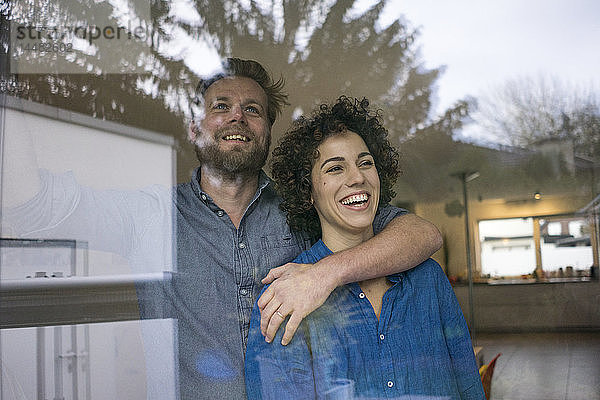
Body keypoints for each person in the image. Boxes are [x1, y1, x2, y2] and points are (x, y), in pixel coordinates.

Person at [2, 59, 442, 399]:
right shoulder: (148, 214)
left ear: (268, 131)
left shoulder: (305, 206)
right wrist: (7, 80)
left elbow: (422, 236)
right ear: (195, 127)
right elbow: (31, 207)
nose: (237, 118)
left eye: (253, 110)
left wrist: (326, 273)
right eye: (221, 107)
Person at [245, 96, 484, 399]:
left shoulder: (429, 279)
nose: (357, 177)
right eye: (335, 169)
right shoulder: (284, 299)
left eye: (365, 163)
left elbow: (468, 386)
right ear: (308, 192)